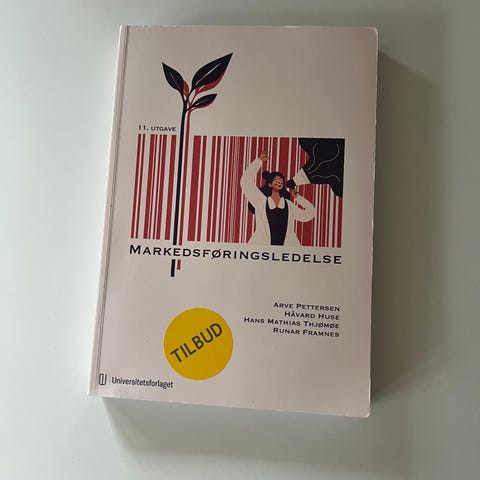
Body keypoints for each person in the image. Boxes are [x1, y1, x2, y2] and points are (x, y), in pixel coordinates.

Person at [240, 150, 315, 246]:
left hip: (287, 251)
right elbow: (245, 181)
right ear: (270, 184)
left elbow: (309, 214)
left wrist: (298, 198)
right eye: (276, 179)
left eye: (281, 180)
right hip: (261, 249)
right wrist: (259, 161)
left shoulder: (288, 205)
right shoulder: (261, 201)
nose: (279, 181)